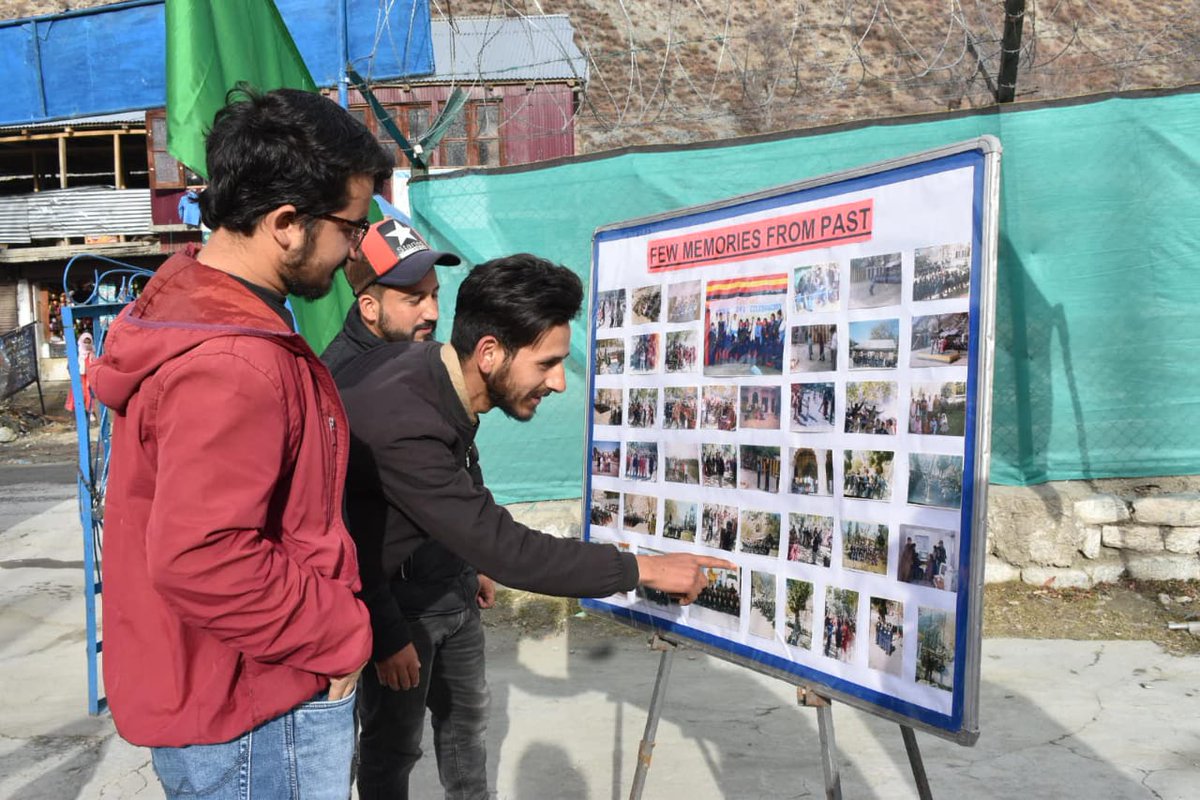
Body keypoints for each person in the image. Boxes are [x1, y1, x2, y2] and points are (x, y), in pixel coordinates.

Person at [335, 253, 734, 799]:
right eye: (547, 364)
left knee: (465, 724)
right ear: (491, 353)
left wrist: (469, 558)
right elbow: (510, 550)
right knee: (388, 750)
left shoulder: (427, 373)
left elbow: (468, 503)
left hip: (434, 588)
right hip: (329, 618)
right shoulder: (406, 421)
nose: (559, 383)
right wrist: (644, 569)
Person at [89, 86, 393, 799]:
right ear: (287, 223)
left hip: (236, 690)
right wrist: (343, 632)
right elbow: (203, 556)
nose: (356, 252)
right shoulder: (233, 364)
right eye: (351, 228)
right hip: (255, 705)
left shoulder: (205, 318)